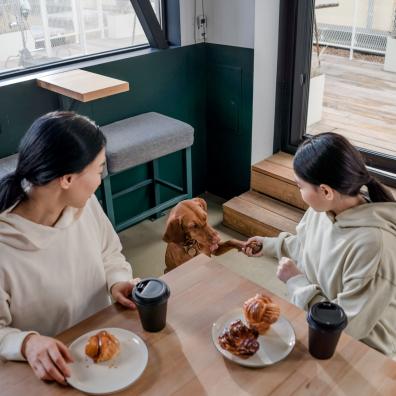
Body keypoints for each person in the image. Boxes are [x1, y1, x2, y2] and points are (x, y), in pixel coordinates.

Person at [0, 112, 138, 384]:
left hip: (102, 349)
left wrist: (117, 282)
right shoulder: (5, 247)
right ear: (67, 179)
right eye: (98, 170)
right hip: (48, 373)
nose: (100, 180)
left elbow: (109, 253)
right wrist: (26, 343)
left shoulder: (81, 205)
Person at [243, 132, 396, 357]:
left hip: (360, 350)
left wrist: (296, 281)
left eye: (300, 186)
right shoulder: (326, 209)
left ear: (325, 191)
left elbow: (344, 326)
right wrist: (268, 245)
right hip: (315, 320)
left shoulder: (374, 246)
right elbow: (307, 247)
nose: (300, 192)